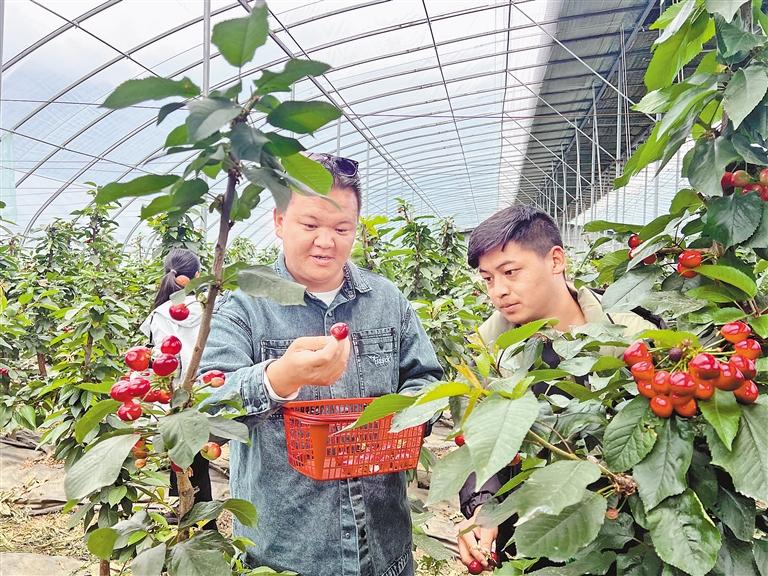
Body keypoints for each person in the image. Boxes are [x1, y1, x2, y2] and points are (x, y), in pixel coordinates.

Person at [199, 152, 443, 576]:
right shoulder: (243, 306)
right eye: (310, 225)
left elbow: (427, 379)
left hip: (383, 548)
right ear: (279, 222)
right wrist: (279, 378)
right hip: (286, 552)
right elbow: (207, 406)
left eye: (341, 228)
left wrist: (400, 421)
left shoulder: (387, 301)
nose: (326, 241)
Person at [455, 205, 659, 571]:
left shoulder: (629, 337)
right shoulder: (491, 348)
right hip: (530, 536)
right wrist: (483, 507)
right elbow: (480, 444)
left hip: (621, 535)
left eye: (510, 272)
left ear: (555, 260)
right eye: (488, 279)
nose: (498, 291)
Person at [139, 248, 214, 527]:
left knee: (182, 455)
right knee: (197, 456)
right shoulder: (209, 308)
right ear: (197, 275)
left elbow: (161, 360)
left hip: (172, 395)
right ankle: (193, 511)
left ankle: (198, 515)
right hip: (205, 390)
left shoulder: (160, 314)